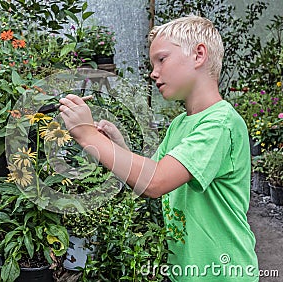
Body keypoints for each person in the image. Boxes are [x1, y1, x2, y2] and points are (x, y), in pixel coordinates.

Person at [59, 15, 258, 281]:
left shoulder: (220, 124)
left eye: (162, 59)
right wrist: (118, 144)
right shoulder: (180, 124)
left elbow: (156, 181)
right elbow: (149, 177)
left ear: (199, 55)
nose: (153, 72)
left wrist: (87, 137)